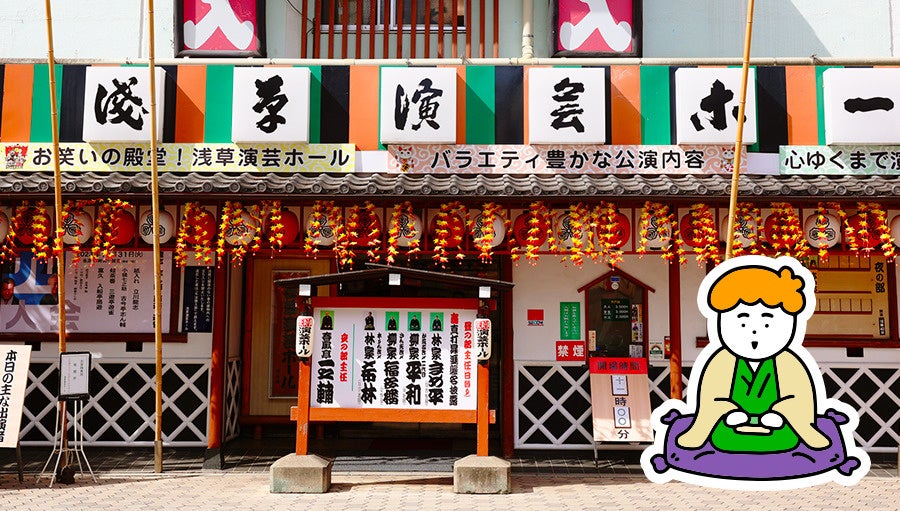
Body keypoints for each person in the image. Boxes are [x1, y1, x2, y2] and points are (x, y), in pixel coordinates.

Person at [676, 262, 829, 453]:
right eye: (742, 323)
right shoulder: (722, 361)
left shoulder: (788, 362)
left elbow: (800, 401)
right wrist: (730, 412)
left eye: (767, 324)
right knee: (725, 436)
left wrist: (779, 414)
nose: (754, 331)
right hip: (729, 432)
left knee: (784, 435)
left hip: (780, 432)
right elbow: (710, 402)